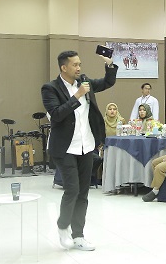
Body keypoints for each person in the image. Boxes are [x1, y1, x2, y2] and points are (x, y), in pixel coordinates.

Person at [41, 50, 117, 251]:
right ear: (63, 67)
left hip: (87, 145)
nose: (79, 68)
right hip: (65, 147)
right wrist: (77, 96)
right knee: (72, 189)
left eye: (80, 64)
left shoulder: (84, 82)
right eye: (75, 65)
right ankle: (62, 226)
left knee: (83, 192)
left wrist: (109, 65)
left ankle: (78, 235)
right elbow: (57, 114)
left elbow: (107, 82)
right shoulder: (50, 88)